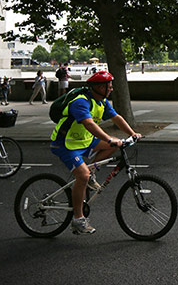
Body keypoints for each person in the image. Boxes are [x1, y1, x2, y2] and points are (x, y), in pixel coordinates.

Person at [49, 71, 141, 234]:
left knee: (114, 146)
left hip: (84, 140)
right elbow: (89, 124)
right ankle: (78, 219)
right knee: (82, 176)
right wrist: (109, 138)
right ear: (99, 87)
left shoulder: (101, 101)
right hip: (65, 144)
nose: (111, 89)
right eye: (109, 86)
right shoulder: (81, 102)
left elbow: (117, 118)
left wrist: (132, 134)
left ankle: (90, 172)